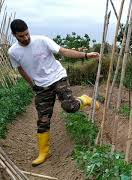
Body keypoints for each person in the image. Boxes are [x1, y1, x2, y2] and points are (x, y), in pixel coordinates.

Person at [8, 19, 101, 167]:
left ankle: (85, 99)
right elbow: (20, 68)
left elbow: (63, 51)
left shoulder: (42, 41)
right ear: (14, 35)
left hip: (58, 77)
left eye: (26, 34)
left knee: (69, 106)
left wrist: (85, 55)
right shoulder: (13, 51)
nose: (25, 38)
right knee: (43, 120)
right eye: (21, 36)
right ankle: (44, 152)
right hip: (41, 86)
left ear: (28, 30)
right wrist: (32, 83)